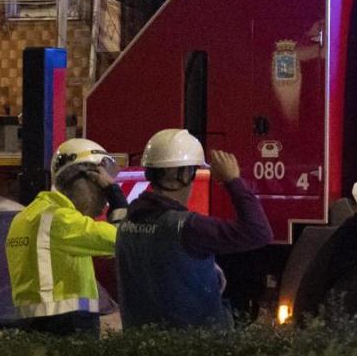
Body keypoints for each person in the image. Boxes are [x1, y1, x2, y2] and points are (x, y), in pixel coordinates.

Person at [115, 128, 272, 330]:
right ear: (182, 174)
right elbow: (259, 232)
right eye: (193, 171)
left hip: (142, 340)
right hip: (193, 342)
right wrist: (233, 180)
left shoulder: (127, 224)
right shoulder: (189, 227)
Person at [5, 138, 126, 336]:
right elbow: (123, 240)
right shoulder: (61, 220)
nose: (104, 200)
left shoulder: (25, 217)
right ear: (83, 182)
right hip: (67, 327)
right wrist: (116, 197)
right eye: (101, 188)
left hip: (35, 327)